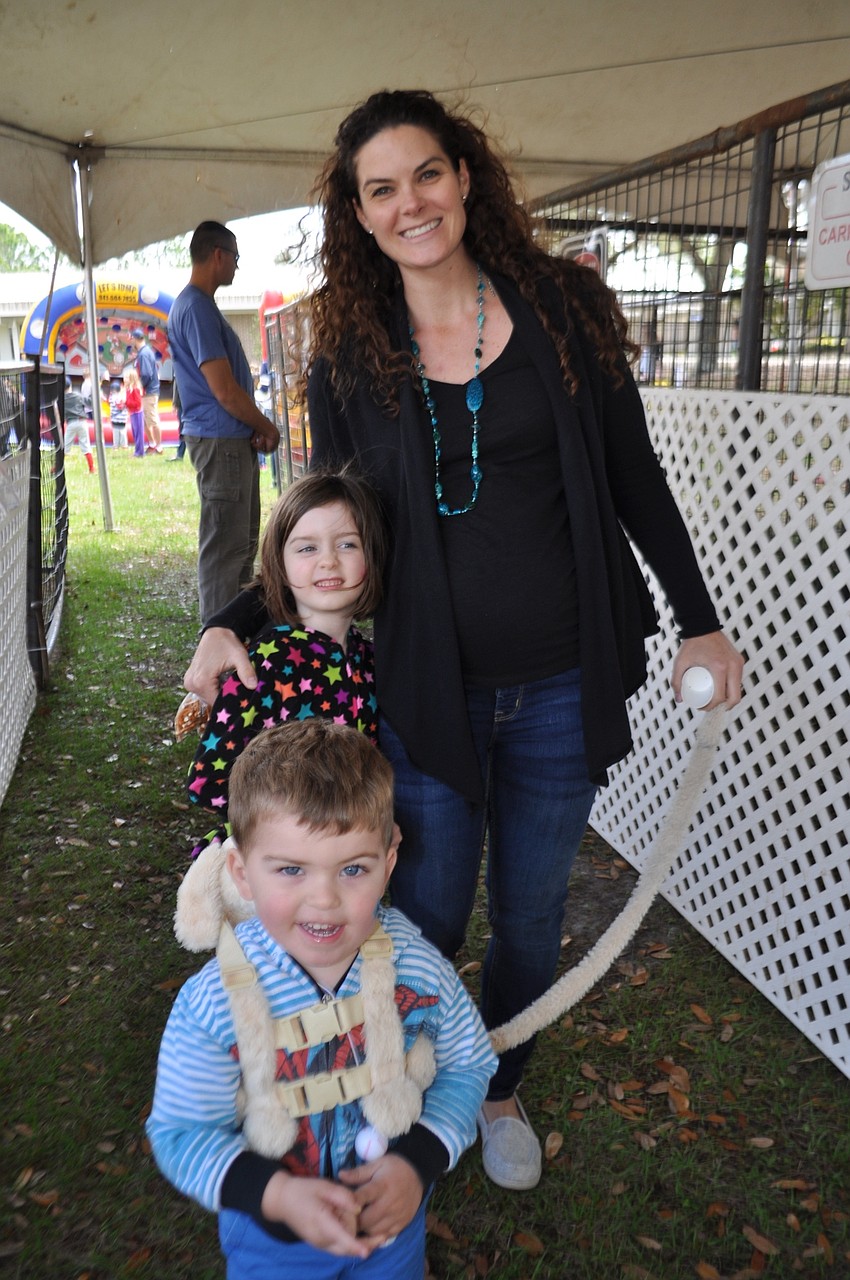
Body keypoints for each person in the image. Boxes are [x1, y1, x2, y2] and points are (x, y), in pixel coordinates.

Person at [184, 90, 745, 1192]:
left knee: (531, 914)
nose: (410, 203)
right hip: (426, 690)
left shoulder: (562, 310)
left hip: (559, 683)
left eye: (425, 175)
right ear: (358, 212)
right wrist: (229, 618)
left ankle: (494, 1088)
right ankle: (410, 1088)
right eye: (380, 189)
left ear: (465, 176)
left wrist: (701, 618)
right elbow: (325, 516)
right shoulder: (347, 348)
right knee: (418, 913)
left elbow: (633, 474)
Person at [148, 719, 497, 1273]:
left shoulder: (419, 968)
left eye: (353, 869)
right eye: (290, 869)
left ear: (388, 863)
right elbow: (182, 1131)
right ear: (241, 872)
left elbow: (469, 1062)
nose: (325, 900)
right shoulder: (211, 1005)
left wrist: (418, 1161)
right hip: (274, 1243)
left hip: (391, 1225)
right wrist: (273, 1195)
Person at [185, 468, 385, 856]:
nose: (328, 561)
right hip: (272, 874)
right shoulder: (262, 666)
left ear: (373, 555)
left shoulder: (371, 661)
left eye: (347, 544)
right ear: (280, 563)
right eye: (307, 548)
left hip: (348, 866)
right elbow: (207, 781)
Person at [167, 221, 280, 624]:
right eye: (235, 257)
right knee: (224, 553)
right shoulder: (195, 306)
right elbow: (224, 390)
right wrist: (266, 426)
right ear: (218, 255)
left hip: (228, 440)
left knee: (240, 546)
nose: (236, 266)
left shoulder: (199, 305)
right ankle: (215, 647)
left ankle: (236, 638)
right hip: (220, 442)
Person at [130, 327, 162, 453]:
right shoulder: (145, 352)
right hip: (148, 391)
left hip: (149, 392)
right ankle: (152, 444)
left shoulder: (144, 354)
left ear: (135, 339)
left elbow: (146, 374)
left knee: (152, 418)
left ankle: (158, 446)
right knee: (146, 419)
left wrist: (139, 387)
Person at [62, 376, 95, 473]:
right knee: (86, 444)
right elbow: (90, 402)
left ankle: (57, 467)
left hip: (71, 423)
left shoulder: (62, 400)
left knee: (65, 446)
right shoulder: (77, 395)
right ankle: (91, 467)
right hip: (82, 422)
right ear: (70, 386)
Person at [124, 367, 145, 458]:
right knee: (135, 432)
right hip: (132, 413)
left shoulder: (135, 389)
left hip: (137, 413)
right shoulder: (129, 389)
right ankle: (137, 450)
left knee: (138, 432)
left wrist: (127, 403)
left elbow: (138, 403)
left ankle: (140, 452)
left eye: (127, 378)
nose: (125, 379)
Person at [108, 379, 128, 449]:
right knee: (122, 432)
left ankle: (115, 446)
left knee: (115, 433)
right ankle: (124, 445)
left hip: (114, 418)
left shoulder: (111, 398)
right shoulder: (122, 397)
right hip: (122, 418)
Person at [170, 376, 186, 460]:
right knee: (183, 429)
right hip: (185, 402)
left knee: (183, 429)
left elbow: (177, 386)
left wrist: (175, 403)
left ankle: (180, 453)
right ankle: (180, 453)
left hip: (183, 403)